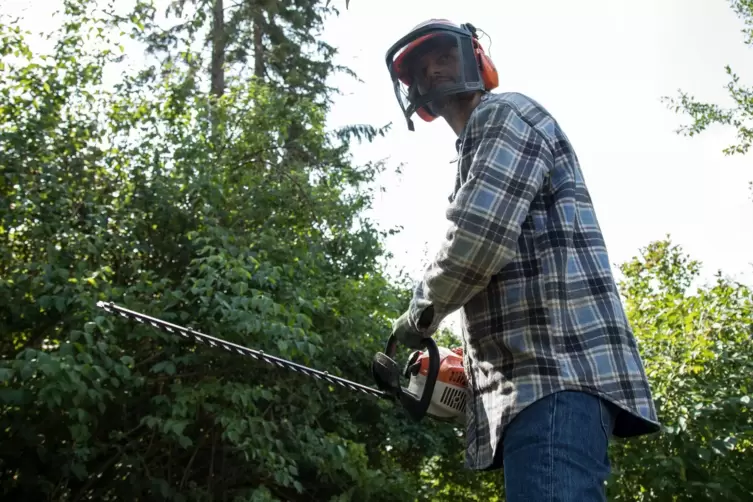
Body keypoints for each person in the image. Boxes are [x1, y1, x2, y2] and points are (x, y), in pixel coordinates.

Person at [384, 19, 661, 501]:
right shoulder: (480, 145)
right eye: (420, 71)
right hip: (539, 390)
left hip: (552, 381)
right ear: (416, 96)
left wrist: (415, 320)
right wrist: (463, 375)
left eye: (443, 56)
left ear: (477, 59)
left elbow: (477, 240)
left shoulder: (504, 114)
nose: (432, 70)